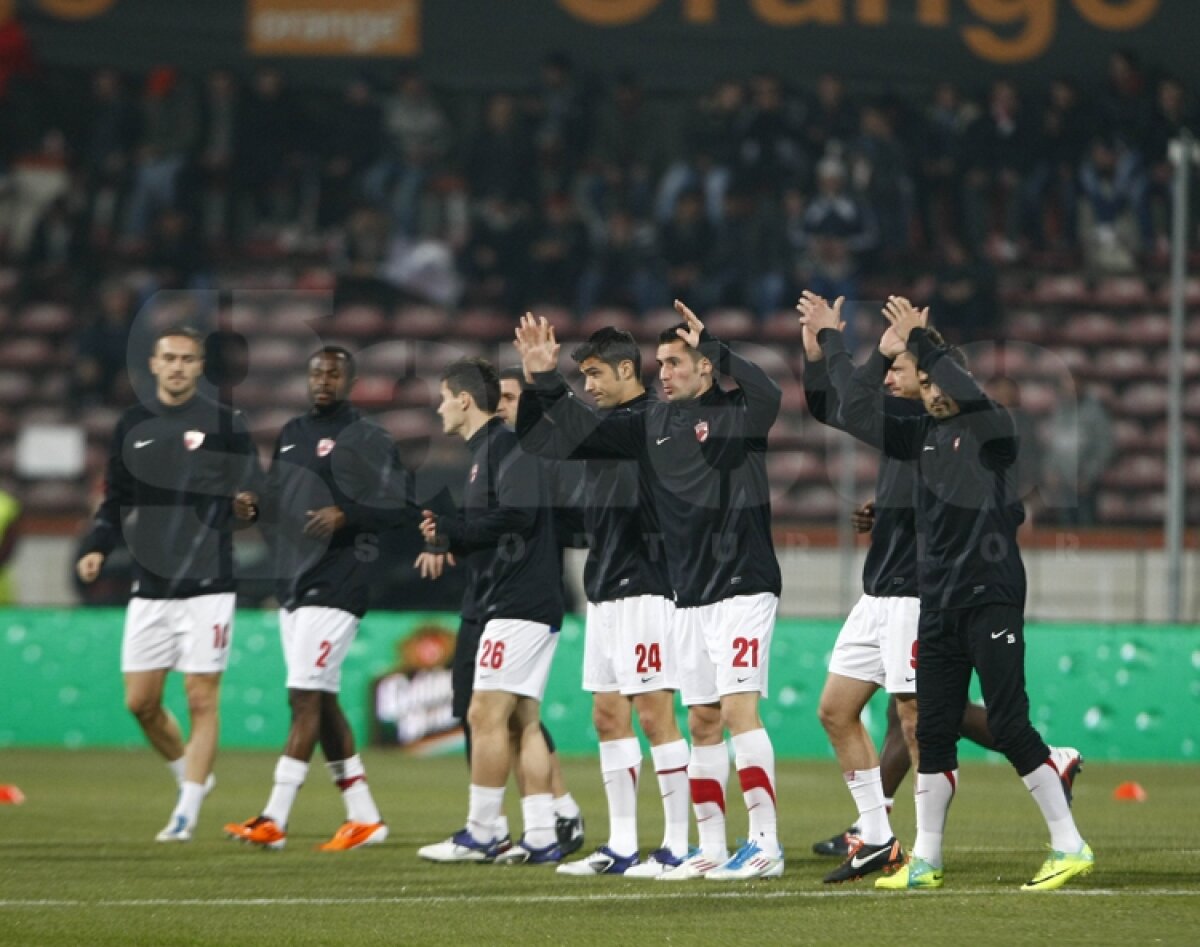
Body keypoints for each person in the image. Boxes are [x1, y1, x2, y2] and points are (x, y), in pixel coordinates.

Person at [799, 293, 1081, 881]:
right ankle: (922, 857)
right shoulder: (920, 432)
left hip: (989, 593)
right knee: (928, 727)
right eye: (918, 381)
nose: (925, 390)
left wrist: (923, 342)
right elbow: (847, 407)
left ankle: (1066, 839)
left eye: (929, 379)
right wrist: (837, 347)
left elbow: (964, 395)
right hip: (937, 597)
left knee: (1001, 723)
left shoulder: (993, 427)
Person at [516, 301, 784, 881]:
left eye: (676, 361)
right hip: (690, 595)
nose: (663, 371)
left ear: (706, 366)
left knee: (739, 712)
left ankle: (765, 843)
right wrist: (542, 376)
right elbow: (570, 430)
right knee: (703, 722)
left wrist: (716, 343)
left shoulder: (739, 412)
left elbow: (770, 390)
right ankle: (709, 847)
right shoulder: (650, 424)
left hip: (743, 583)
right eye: (659, 361)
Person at [223, 347, 415, 851]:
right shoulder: (292, 434)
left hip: (339, 582)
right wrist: (252, 504)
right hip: (294, 583)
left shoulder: (369, 437)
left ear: (350, 379)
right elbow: (275, 499)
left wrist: (345, 515)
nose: (323, 379)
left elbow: (398, 504)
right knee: (318, 698)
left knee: (304, 696)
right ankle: (364, 817)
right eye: (316, 372)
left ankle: (274, 818)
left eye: (333, 372)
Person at [517, 329, 691, 878]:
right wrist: (532, 384)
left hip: (648, 586)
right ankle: (621, 845)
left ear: (625, 371)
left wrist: (549, 380)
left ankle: (678, 846)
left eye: (595, 374)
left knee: (654, 715)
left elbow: (575, 430)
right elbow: (537, 441)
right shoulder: (605, 429)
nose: (588, 385)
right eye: (583, 375)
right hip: (606, 588)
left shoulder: (648, 421)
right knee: (607, 714)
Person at [76, 325, 261, 842]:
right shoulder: (133, 423)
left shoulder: (225, 424)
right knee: (141, 703)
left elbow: (254, 491)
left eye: (187, 358)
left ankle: (186, 811)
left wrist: (250, 505)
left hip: (209, 584)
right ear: (153, 365)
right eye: (169, 358)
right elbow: (115, 497)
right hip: (151, 582)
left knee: (201, 697)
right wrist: (95, 545)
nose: (178, 366)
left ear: (200, 366)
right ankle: (191, 777)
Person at [417, 358, 568, 865]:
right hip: (522, 598)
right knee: (521, 720)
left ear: (463, 399)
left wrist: (455, 531)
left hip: (518, 601)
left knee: (484, 713)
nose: (439, 407)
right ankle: (544, 834)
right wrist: (454, 536)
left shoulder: (506, 446)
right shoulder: (489, 452)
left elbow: (519, 514)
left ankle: (483, 832)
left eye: (443, 396)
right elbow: (504, 524)